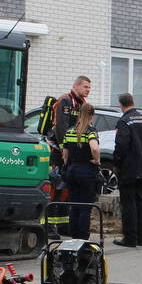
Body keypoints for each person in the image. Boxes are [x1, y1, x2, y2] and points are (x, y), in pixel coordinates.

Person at [42, 76, 91, 237]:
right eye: (85, 87)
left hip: (72, 152)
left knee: (66, 189)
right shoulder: (64, 101)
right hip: (57, 151)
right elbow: (60, 126)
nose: (88, 90)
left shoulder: (82, 104)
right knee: (54, 187)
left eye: (89, 87)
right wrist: (64, 148)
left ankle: (63, 225)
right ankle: (47, 226)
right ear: (76, 86)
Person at [112, 92, 142, 247]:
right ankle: (140, 236)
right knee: (140, 202)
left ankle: (130, 238)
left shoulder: (124, 121)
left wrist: (117, 162)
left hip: (129, 169)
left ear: (121, 105)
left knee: (128, 203)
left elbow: (121, 145)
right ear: (133, 102)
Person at [61, 103, 102, 240]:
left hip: (72, 170)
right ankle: (83, 237)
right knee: (85, 207)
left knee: (74, 205)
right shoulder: (90, 131)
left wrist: (68, 166)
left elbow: (65, 154)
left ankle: (74, 235)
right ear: (92, 116)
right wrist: (97, 160)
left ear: (79, 114)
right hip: (86, 171)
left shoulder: (70, 131)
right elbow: (94, 148)